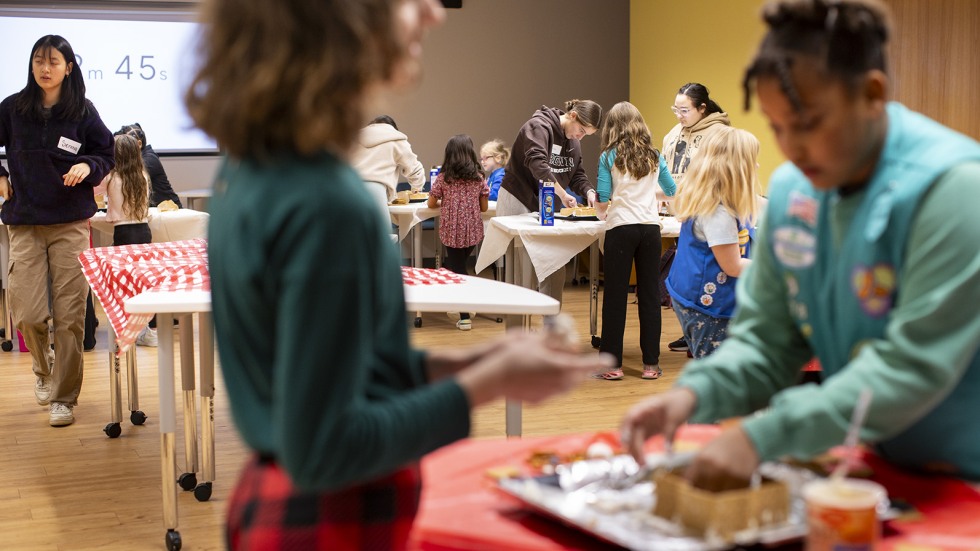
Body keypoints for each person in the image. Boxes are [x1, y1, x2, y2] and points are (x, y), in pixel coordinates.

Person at [185, 0, 613, 548]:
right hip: (329, 524)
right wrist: (486, 383)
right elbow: (325, 448)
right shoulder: (327, 200)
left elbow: (347, 369)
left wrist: (477, 360)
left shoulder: (255, 168)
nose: (433, 12)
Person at [621, 0, 980, 490]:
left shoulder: (954, 191)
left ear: (872, 94)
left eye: (808, 124)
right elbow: (769, 338)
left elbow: (910, 367)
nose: (791, 149)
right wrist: (694, 394)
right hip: (870, 459)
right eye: (777, 126)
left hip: (964, 474)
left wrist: (764, 435)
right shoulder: (796, 192)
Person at [0, 35, 114, 427]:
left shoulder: (82, 111)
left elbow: (106, 152)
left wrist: (89, 167)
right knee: (29, 314)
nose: (44, 68)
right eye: (38, 61)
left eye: (53, 61)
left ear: (69, 67)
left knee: (69, 318)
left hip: (68, 224)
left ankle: (63, 397)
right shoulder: (13, 109)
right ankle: (43, 365)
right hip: (26, 222)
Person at [592, 101, 676, 381]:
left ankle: (612, 365)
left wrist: (600, 206)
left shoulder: (608, 156)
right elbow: (671, 190)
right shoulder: (654, 155)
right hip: (650, 230)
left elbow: (603, 200)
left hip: (621, 228)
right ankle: (651, 364)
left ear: (612, 128)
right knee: (650, 296)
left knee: (615, 297)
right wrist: (648, 196)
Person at [665, 126, 761, 359]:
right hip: (707, 307)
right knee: (717, 372)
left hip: (693, 296)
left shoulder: (714, 199)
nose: (757, 166)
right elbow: (733, 266)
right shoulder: (718, 213)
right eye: (753, 161)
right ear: (736, 169)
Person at [496, 99, 602, 306]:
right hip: (519, 196)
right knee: (523, 267)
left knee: (555, 265)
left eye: (585, 135)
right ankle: (521, 329)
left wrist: (589, 192)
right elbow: (539, 166)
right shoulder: (538, 126)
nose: (580, 137)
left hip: (546, 203)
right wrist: (563, 195)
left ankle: (551, 328)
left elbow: (577, 175)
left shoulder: (573, 141)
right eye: (580, 130)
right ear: (572, 115)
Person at [662, 83, 732, 355]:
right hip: (679, 209)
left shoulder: (720, 134)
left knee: (707, 272)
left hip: (707, 211)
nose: (679, 115)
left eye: (684, 110)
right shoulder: (674, 133)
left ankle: (704, 328)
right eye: (675, 109)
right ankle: (690, 329)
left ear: (702, 108)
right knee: (682, 271)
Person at [92, 134, 158, 347]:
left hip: (124, 235)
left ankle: (125, 330)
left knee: (123, 285)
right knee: (142, 283)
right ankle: (147, 330)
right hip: (143, 232)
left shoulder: (111, 178)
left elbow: (108, 211)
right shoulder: (143, 175)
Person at [427, 134, 489, 331]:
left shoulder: (443, 178)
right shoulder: (479, 178)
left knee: (459, 270)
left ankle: (464, 315)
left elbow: (430, 203)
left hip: (451, 230)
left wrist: (445, 202)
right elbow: (484, 208)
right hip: (472, 230)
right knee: (458, 266)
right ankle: (458, 302)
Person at [351, 114, 426, 214]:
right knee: (378, 229)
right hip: (376, 194)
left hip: (350, 191)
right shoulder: (396, 139)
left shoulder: (354, 139)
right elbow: (416, 171)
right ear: (393, 129)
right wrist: (416, 190)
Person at [116, 123, 183, 208]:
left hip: (169, 213)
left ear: (139, 144)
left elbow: (125, 177)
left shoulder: (149, 160)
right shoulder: (140, 158)